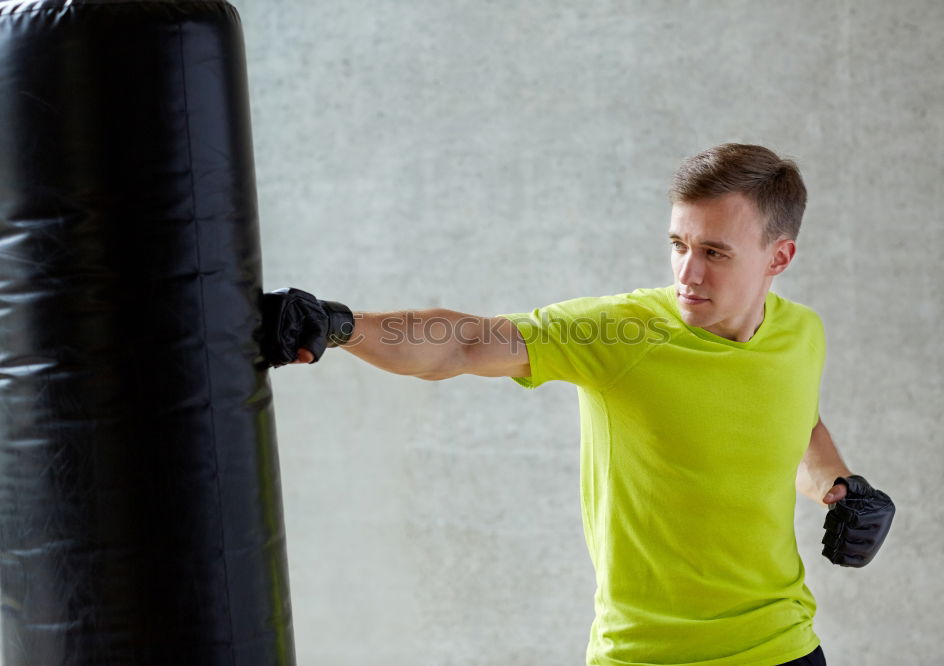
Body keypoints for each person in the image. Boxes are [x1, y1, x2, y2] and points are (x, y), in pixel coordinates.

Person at [261, 143, 895, 666]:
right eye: (678, 244)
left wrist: (844, 488)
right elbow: (465, 343)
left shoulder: (802, 334)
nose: (687, 274)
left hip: (783, 649)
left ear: (779, 257)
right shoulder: (620, 333)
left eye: (714, 252)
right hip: (647, 655)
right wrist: (342, 326)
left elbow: (797, 423)